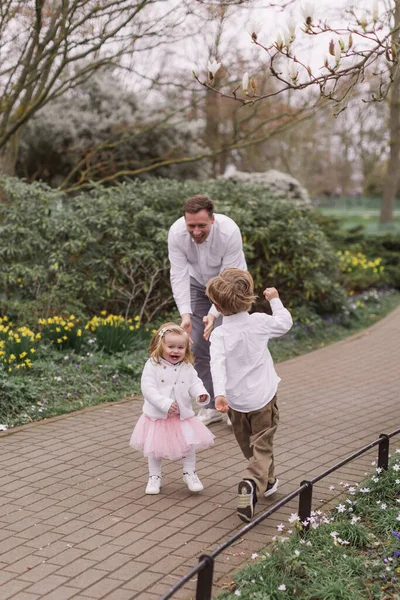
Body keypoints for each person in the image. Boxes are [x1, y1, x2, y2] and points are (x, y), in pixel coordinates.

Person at [206, 268, 293, 522]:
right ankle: (252, 482)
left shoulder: (219, 334)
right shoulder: (259, 321)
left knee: (251, 447)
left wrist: (219, 394)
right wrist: (275, 298)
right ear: (249, 297)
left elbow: (216, 365)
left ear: (218, 308)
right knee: (262, 446)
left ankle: (269, 480)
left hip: (235, 402)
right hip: (263, 398)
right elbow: (284, 323)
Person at [168, 194, 247, 426]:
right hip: (196, 284)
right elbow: (178, 274)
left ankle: (236, 407)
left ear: (212, 220)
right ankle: (211, 406)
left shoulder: (229, 231)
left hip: (230, 285)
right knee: (200, 347)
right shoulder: (176, 233)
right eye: (191, 225)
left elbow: (228, 280)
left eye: (201, 225)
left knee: (229, 345)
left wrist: (213, 314)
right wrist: (185, 314)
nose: (196, 231)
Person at [129, 322, 215, 495]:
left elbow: (195, 383)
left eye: (181, 347)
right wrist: (164, 403)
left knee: (189, 445)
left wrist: (201, 394)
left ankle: (189, 472)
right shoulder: (152, 365)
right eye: (171, 347)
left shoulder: (187, 367)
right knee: (155, 449)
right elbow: (148, 389)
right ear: (161, 346)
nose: (176, 351)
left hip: (182, 416)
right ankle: (154, 477)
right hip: (158, 417)